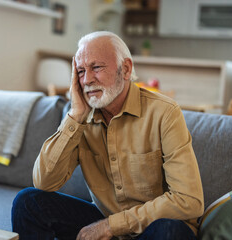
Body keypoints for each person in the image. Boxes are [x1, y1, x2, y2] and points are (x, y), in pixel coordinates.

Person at [11, 31, 204, 240]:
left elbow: (189, 200)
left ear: (126, 69)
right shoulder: (81, 117)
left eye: (96, 67)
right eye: (81, 71)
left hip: (153, 229)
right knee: (28, 202)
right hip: (104, 222)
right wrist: (75, 117)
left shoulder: (164, 113)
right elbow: (44, 182)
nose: (87, 80)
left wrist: (111, 226)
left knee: (170, 231)